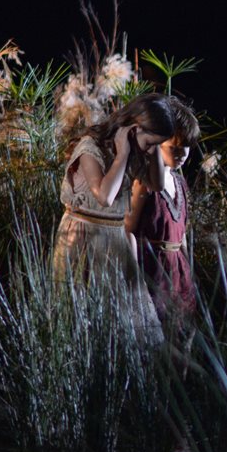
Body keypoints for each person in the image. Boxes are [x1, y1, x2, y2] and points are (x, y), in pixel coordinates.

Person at [53, 92, 174, 344]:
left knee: (124, 322)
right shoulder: (90, 147)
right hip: (84, 239)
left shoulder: (139, 153)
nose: (152, 150)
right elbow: (105, 196)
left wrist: (151, 151)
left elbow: (157, 184)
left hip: (114, 241)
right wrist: (122, 153)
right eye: (151, 142)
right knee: (80, 317)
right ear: (132, 129)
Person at [126, 97, 201, 336]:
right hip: (154, 271)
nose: (181, 154)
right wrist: (135, 279)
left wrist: (188, 269)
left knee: (183, 337)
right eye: (174, 147)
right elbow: (128, 228)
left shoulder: (180, 182)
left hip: (179, 273)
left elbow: (184, 233)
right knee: (159, 339)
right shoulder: (145, 181)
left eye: (186, 148)